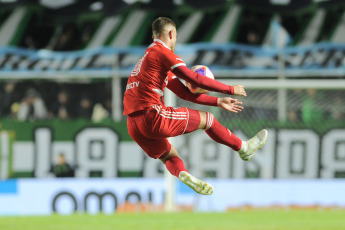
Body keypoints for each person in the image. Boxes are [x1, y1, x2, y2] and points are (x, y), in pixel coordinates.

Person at [123, 17, 268, 195]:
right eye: (175, 36)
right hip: (152, 116)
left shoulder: (147, 61)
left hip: (133, 125)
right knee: (208, 120)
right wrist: (230, 89)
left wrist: (218, 101)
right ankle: (244, 148)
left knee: (169, 155)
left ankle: (183, 174)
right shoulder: (163, 53)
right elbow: (194, 79)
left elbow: (185, 93)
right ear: (171, 34)